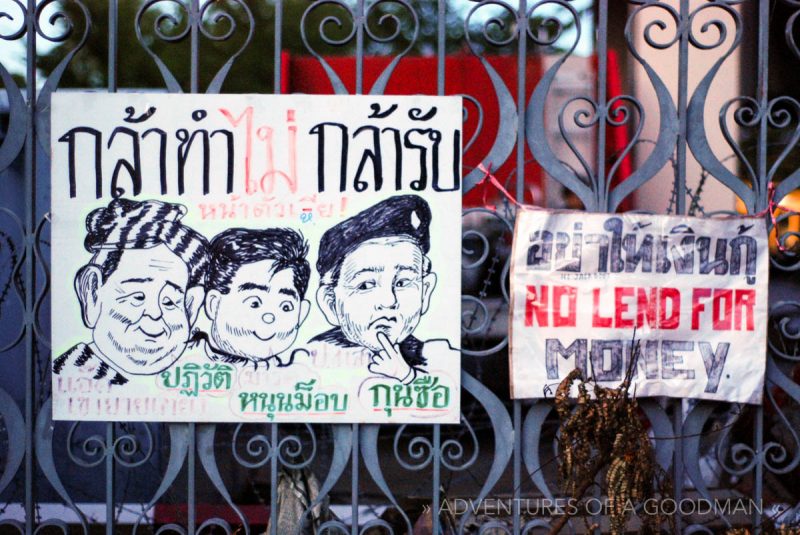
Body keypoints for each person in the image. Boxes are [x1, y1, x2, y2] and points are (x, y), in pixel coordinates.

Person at [53, 198, 209, 386]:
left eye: (169, 302)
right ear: (92, 294)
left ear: (191, 308)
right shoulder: (68, 379)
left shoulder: (192, 383)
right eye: (137, 297)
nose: (154, 314)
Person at [310, 194, 458, 384]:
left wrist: (406, 376)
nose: (389, 301)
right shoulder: (310, 358)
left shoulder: (432, 359)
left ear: (425, 291)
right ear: (330, 303)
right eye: (366, 285)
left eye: (403, 282)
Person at [191, 228, 311, 368]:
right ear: (214, 304)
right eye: (254, 303)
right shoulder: (188, 361)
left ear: (301, 314)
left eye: (286, 307)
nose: (269, 317)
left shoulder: (291, 370)